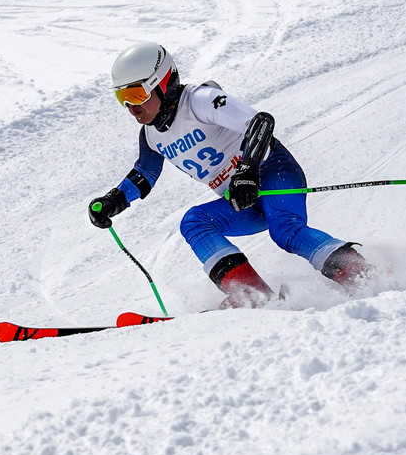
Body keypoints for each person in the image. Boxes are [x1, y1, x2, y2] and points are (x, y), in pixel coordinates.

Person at [89, 41, 374, 308]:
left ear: (163, 83)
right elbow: (144, 174)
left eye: (136, 94)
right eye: (122, 97)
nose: (131, 107)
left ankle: (362, 274)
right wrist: (114, 200)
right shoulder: (151, 136)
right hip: (241, 197)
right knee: (195, 222)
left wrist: (247, 170)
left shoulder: (199, 100)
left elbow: (259, 123)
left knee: (285, 230)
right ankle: (254, 296)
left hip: (272, 171)